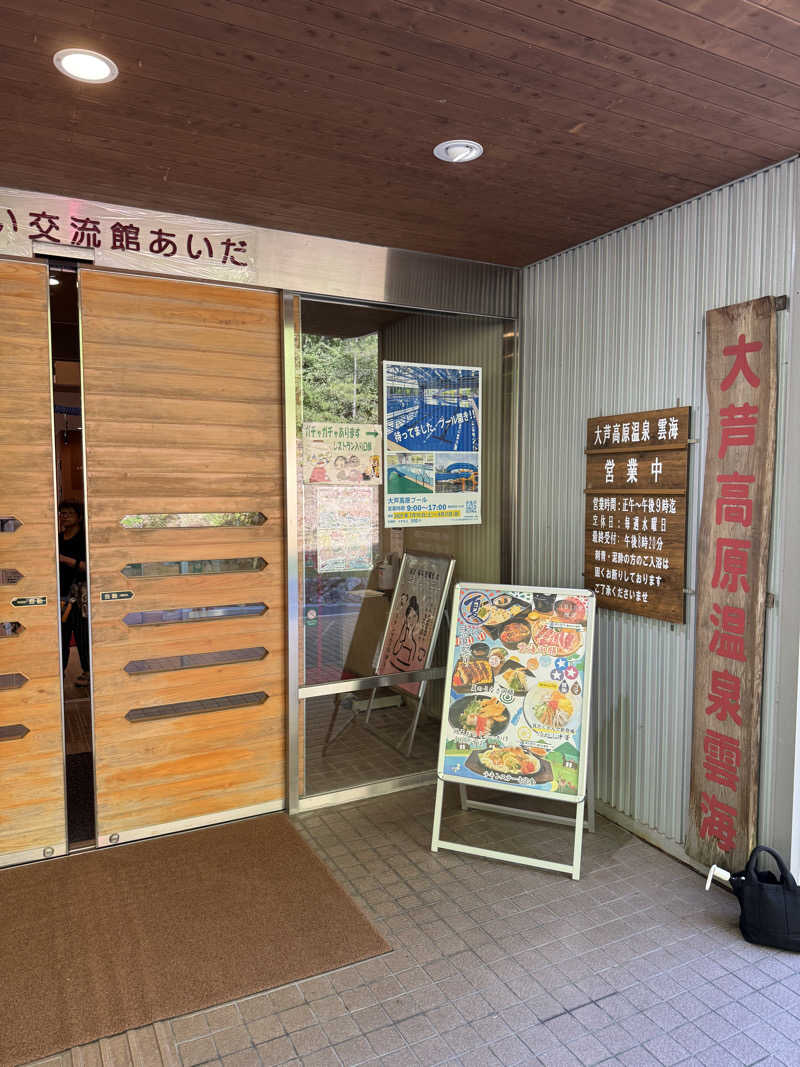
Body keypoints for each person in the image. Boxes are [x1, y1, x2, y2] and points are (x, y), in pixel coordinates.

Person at [58, 500, 90, 686]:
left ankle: (87, 671)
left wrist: (64, 559)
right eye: (62, 513)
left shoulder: (84, 539)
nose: (65, 516)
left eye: (69, 513)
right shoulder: (58, 538)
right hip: (60, 593)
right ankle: (59, 671)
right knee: (61, 635)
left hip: (79, 595)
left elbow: (89, 567)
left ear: (79, 517)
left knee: (82, 634)